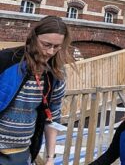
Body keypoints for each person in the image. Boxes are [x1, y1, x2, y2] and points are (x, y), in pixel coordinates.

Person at [0, 15, 73, 165]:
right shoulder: (6, 60)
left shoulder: (55, 74)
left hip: (20, 153)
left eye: (57, 46)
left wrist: (50, 158)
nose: (50, 52)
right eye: (46, 44)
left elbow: (52, 116)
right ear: (34, 37)